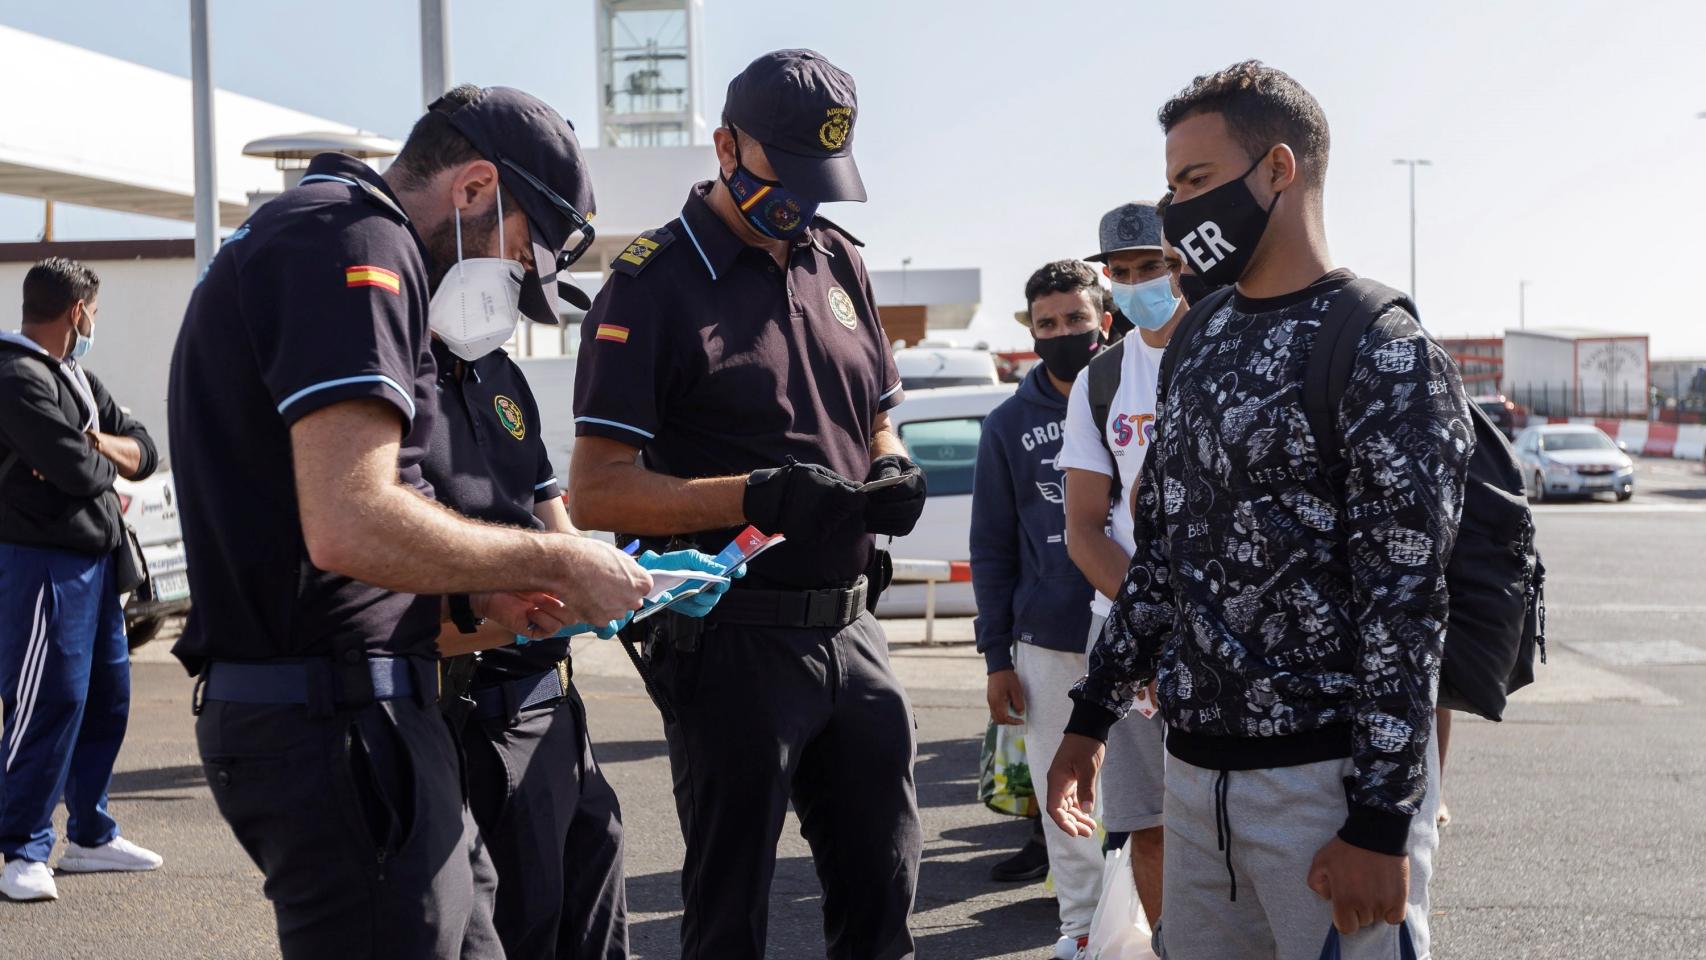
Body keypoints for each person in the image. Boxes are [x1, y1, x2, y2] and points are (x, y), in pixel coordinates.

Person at [167, 85, 652, 959]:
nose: (508, 282)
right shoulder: (357, 238)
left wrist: (487, 595)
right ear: (470, 189)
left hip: (368, 711)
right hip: (334, 722)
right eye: (515, 256)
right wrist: (558, 562)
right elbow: (352, 519)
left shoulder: (326, 232)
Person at [1047, 61, 1469, 959]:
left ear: (1278, 169)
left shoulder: (1382, 347)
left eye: (1194, 183)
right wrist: (1090, 720)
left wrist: (1385, 822)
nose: (1176, 212)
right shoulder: (1200, 337)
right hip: (1193, 783)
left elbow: (1407, 603)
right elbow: (1160, 557)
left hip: (1326, 796)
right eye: (1170, 186)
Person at [569, 49, 926, 960]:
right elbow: (596, 486)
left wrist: (892, 465)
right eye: (785, 175)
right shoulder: (650, 285)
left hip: (854, 627)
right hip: (732, 640)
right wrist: (756, 496)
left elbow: (879, 415)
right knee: (731, 915)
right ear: (725, 144)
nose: (801, 203)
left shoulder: (838, 258)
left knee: (885, 895)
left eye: (820, 182)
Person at [0, 259, 163, 902]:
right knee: (48, 702)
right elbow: (80, 473)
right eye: (93, 311)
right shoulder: (14, 376)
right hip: (42, 565)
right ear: (76, 312)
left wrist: (98, 444)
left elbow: (145, 449)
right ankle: (22, 848)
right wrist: (102, 450)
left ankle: (90, 835)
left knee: (105, 700)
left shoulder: (77, 377)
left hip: (98, 565)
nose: (96, 322)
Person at [972, 260, 1112, 960]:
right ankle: (1084, 929)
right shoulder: (1007, 425)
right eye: (1047, 324)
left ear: (1103, 323)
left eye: (1075, 321)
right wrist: (996, 656)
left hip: (1142, 634)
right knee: (1068, 799)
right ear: (1030, 331)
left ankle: (1158, 924)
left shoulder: (1141, 397)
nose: (1062, 334)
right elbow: (992, 548)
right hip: (1049, 644)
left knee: (1156, 796)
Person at [1052, 201, 1186, 926]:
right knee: (1152, 826)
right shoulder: (1103, 381)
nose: (1138, 284)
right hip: (1129, 641)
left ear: (1182, 266)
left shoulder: (1222, 354)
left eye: (1153, 267)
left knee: (1236, 826)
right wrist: (1155, 636)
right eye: (1124, 272)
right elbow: (1083, 530)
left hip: (1231, 642)